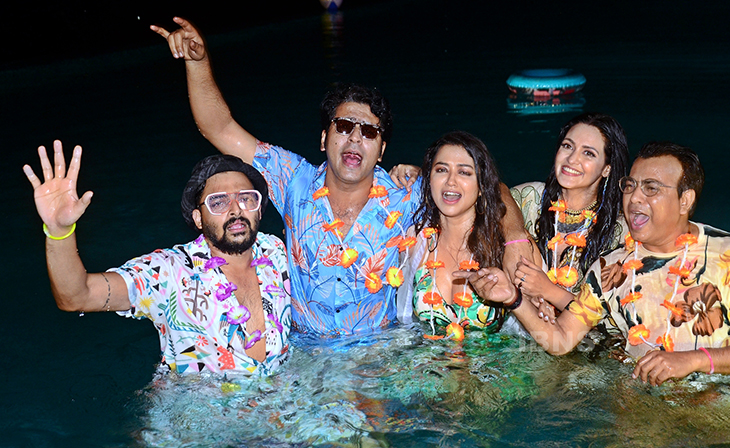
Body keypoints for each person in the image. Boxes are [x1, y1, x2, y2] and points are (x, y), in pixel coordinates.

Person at [152, 17, 531, 337]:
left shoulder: (407, 194)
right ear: (324, 138)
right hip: (305, 353)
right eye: (344, 126)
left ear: (381, 150)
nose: (355, 138)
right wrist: (198, 63)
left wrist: (515, 242)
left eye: (369, 132)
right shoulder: (292, 180)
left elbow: (490, 188)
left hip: (377, 359)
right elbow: (218, 127)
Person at [466, 141, 730, 385]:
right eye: (630, 186)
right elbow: (561, 341)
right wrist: (513, 298)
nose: (635, 198)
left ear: (685, 200)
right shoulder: (610, 268)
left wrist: (693, 360)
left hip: (720, 405)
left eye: (651, 188)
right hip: (640, 410)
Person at [23, 141, 292, 375]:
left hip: (279, 405)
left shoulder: (278, 253)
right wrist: (59, 232)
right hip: (199, 413)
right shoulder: (169, 271)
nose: (235, 209)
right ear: (198, 218)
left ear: (259, 210)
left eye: (247, 198)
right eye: (218, 202)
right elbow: (76, 297)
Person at [396, 132, 512, 339]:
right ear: (429, 179)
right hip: (426, 358)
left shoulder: (506, 245)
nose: (451, 181)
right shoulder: (415, 241)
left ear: (481, 187)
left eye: (464, 172)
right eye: (441, 170)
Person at [510, 113, 629, 313]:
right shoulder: (528, 199)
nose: (572, 159)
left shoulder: (619, 232)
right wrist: (514, 232)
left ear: (607, 169)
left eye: (588, 153)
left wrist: (547, 291)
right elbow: (492, 194)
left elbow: (606, 317)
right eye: (567, 146)